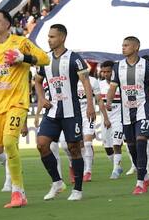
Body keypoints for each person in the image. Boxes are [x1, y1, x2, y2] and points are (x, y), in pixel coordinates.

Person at [0, 9, 49, 208]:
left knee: (9, 142)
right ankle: (15, 171)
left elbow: (44, 59)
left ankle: (18, 192)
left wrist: (23, 57)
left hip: (18, 103)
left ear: (8, 24)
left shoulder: (20, 42)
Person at [34, 24, 95, 201]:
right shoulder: (44, 59)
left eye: (52, 36)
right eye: (49, 36)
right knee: (41, 144)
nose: (49, 39)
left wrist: (90, 105)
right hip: (52, 111)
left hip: (71, 112)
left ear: (62, 38)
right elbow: (37, 81)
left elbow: (86, 83)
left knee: (74, 149)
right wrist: (41, 98)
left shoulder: (74, 58)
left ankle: (77, 189)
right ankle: (57, 182)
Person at [104, 36, 149, 195]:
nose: (123, 48)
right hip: (126, 114)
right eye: (122, 45)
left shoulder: (146, 66)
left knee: (141, 142)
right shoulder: (118, 67)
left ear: (136, 47)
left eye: (126, 45)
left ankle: (140, 183)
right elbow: (113, 88)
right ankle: (146, 177)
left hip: (143, 110)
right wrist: (108, 101)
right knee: (132, 148)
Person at [98, 60, 125, 179]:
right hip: (105, 119)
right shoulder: (100, 85)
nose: (105, 74)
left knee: (116, 143)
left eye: (108, 71)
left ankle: (115, 169)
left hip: (119, 118)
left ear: (113, 71)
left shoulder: (121, 85)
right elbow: (100, 102)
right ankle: (117, 165)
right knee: (108, 147)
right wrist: (105, 118)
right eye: (103, 72)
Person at [77, 65, 101, 182]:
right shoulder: (72, 80)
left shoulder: (93, 81)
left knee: (87, 143)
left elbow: (99, 99)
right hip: (76, 117)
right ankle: (83, 166)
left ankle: (88, 171)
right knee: (80, 143)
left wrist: (101, 113)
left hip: (89, 115)